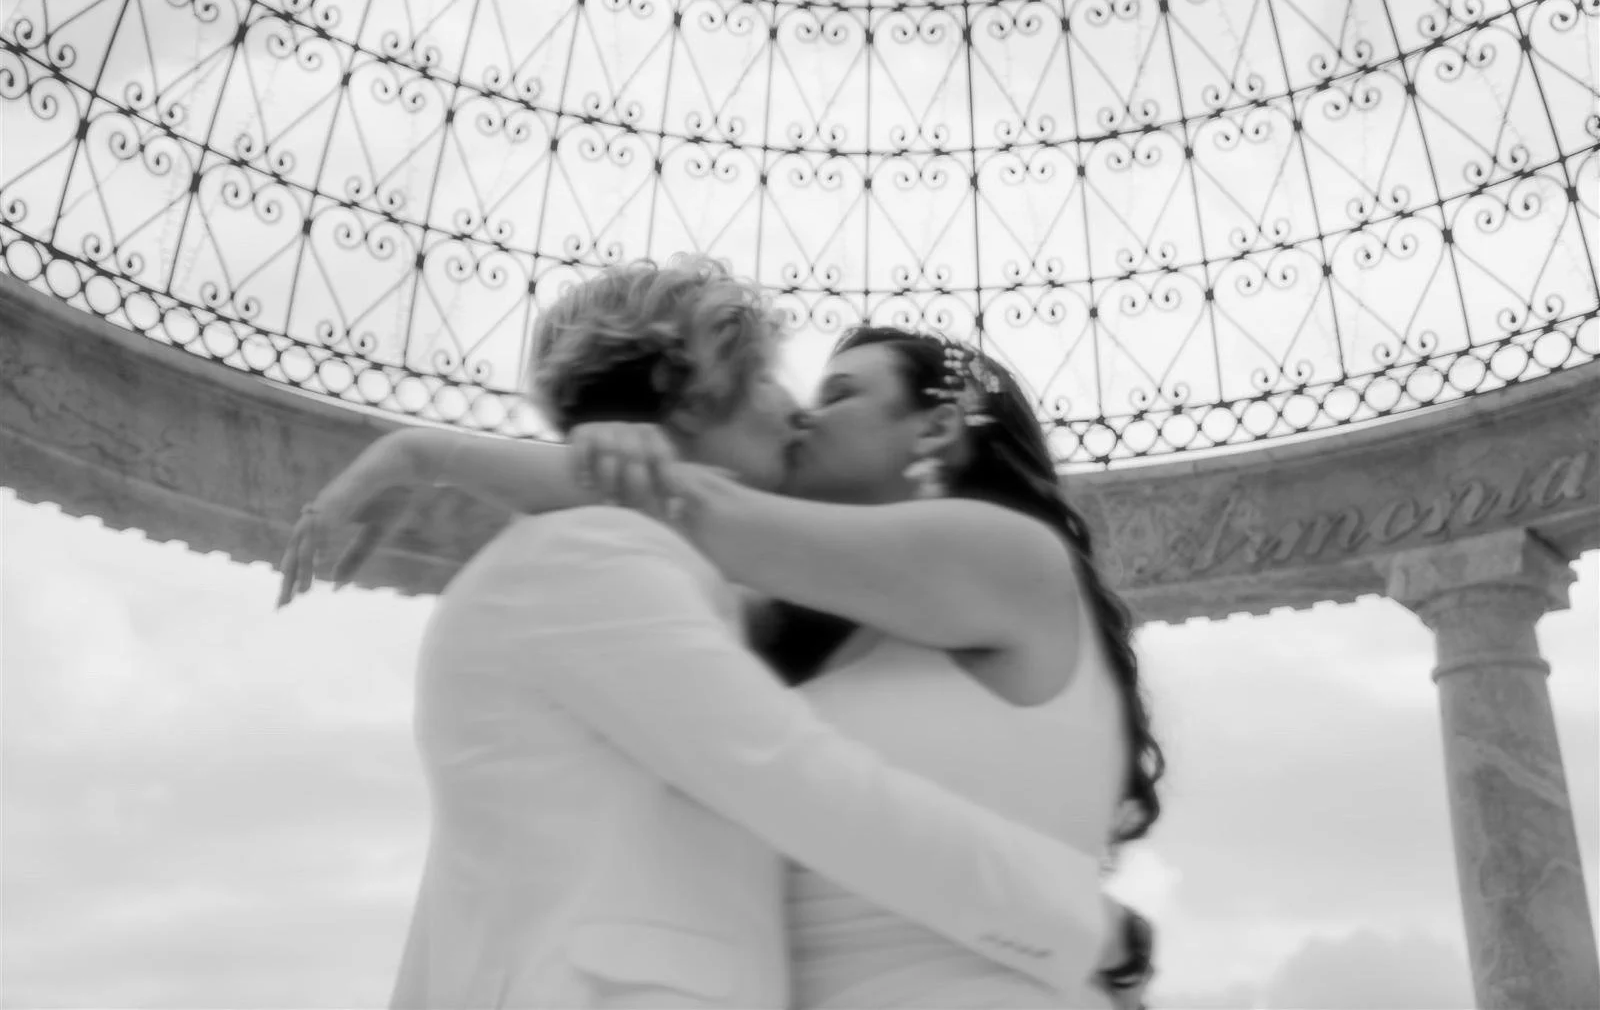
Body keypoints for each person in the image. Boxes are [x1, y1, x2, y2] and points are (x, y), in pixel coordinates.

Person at [280, 256, 1149, 1009]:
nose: (801, 413)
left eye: (838, 393)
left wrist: (436, 456)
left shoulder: (1004, 551)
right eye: (781, 386)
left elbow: (709, 509)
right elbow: (785, 757)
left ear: (938, 426)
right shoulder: (716, 600)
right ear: (696, 403)